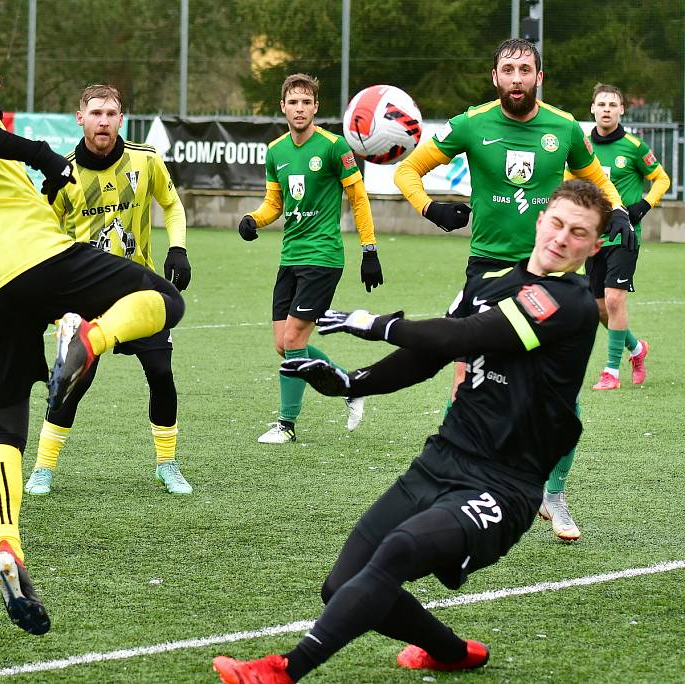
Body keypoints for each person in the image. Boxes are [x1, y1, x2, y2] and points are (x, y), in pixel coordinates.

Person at [212, 179, 609, 683]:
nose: (561, 238)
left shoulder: (570, 302)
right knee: (342, 586)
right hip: (441, 460)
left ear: (593, 247)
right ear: (540, 219)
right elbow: (433, 352)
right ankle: (450, 651)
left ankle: (284, 670)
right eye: (557, 222)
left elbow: (468, 335)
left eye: (578, 233)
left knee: (398, 549)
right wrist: (352, 382)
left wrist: (376, 324)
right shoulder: (489, 282)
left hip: (503, 486)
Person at [0, 29, 185, 635]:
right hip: (37, 259)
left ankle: (6, 546)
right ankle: (92, 341)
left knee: (4, 431)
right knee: (162, 299)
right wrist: (46, 156)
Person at [393, 38, 630, 542]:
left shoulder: (563, 128)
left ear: (538, 77)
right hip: (487, 272)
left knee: (560, 396)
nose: (517, 77)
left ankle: (554, 491)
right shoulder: (471, 123)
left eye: (526, 69)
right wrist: (429, 207)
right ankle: (453, 482)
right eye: (508, 69)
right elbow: (407, 170)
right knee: (466, 385)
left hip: (552, 276)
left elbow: (598, 181)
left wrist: (621, 212)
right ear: (495, 77)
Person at [24, 84, 193, 497]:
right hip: (84, 297)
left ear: (121, 118)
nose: (104, 121)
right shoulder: (61, 174)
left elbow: (171, 205)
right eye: (96, 113)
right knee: (73, 381)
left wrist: (178, 248)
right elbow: (42, 236)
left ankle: (167, 464)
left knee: (161, 375)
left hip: (141, 293)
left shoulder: (145, 160)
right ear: (80, 118)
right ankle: (43, 468)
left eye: (111, 113)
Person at [238, 72, 383, 444]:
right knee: (284, 345)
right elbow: (275, 204)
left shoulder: (335, 147)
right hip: (290, 257)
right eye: (293, 102)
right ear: (283, 107)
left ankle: (286, 424)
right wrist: (254, 220)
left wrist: (369, 250)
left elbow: (359, 198)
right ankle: (352, 385)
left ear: (316, 107)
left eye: (306, 102)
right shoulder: (276, 152)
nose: (300, 108)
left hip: (323, 257)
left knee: (294, 338)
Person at [579, 83, 670, 390]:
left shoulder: (634, 146)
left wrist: (643, 205)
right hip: (592, 238)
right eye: (601, 104)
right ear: (592, 109)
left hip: (624, 235)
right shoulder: (582, 147)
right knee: (600, 307)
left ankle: (611, 372)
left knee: (615, 300)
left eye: (612, 104)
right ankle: (636, 348)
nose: (606, 109)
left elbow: (661, 178)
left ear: (621, 110)